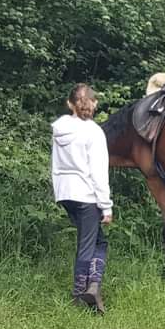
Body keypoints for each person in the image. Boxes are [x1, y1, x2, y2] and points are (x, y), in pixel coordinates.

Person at [50, 83, 112, 313]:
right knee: (89, 244)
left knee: (98, 240)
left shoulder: (59, 129)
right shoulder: (93, 132)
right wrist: (106, 206)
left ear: (70, 104)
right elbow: (98, 172)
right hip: (86, 194)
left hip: (65, 193)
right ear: (94, 103)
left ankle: (92, 287)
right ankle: (80, 294)